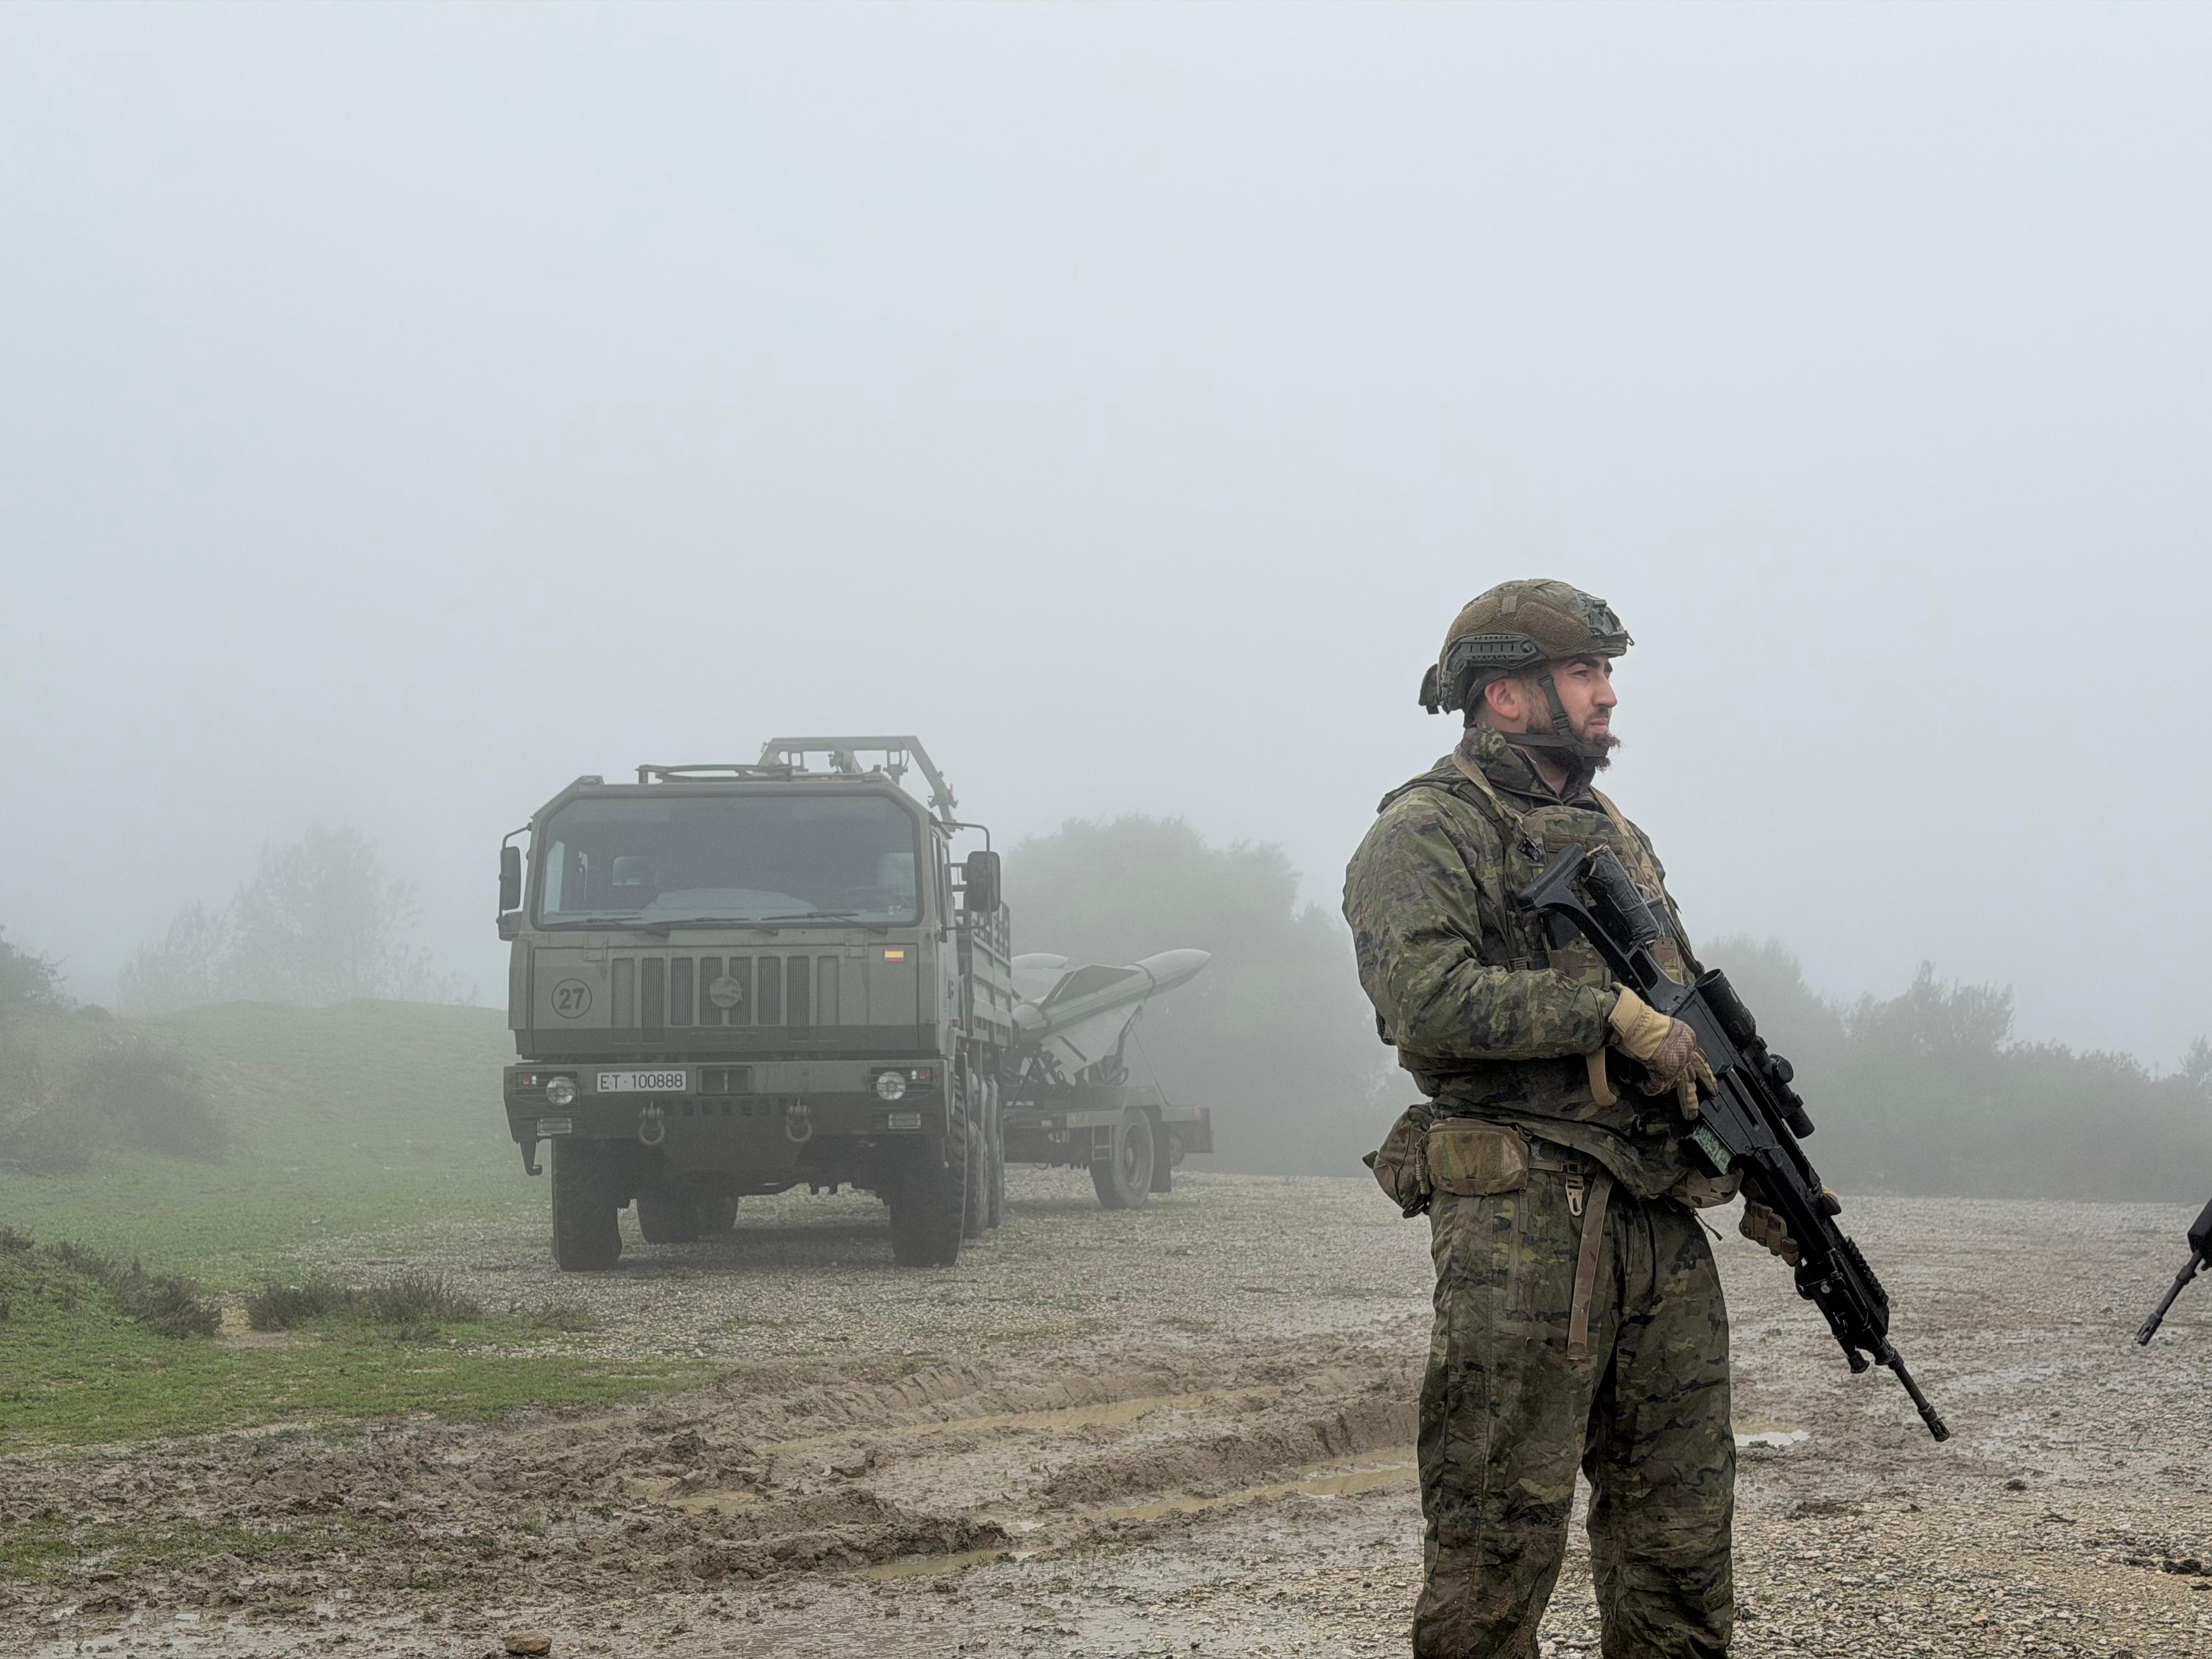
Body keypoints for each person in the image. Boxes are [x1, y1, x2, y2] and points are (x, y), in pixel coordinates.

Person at [1344, 579, 1798, 1659]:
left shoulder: (1616, 835)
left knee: (1681, 1545)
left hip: (1655, 1215)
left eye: (1606, 674)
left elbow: (1681, 1018)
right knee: (1497, 1542)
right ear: (1506, 696)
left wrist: (1756, 1164)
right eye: (1586, 674)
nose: (1606, 697)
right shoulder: (1427, 829)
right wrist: (1605, 1014)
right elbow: (1424, 1000)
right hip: (1525, 1224)